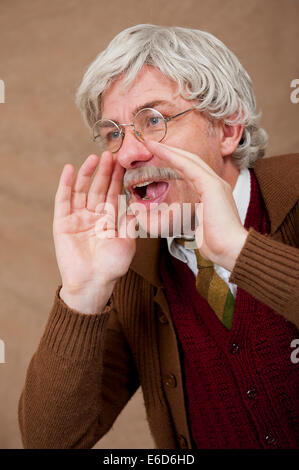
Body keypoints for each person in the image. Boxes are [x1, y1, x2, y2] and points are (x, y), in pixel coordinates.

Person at [18, 24, 299, 449]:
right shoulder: (134, 268)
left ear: (227, 130)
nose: (129, 153)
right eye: (114, 132)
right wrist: (84, 294)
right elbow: (48, 442)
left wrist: (241, 252)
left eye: (154, 120)